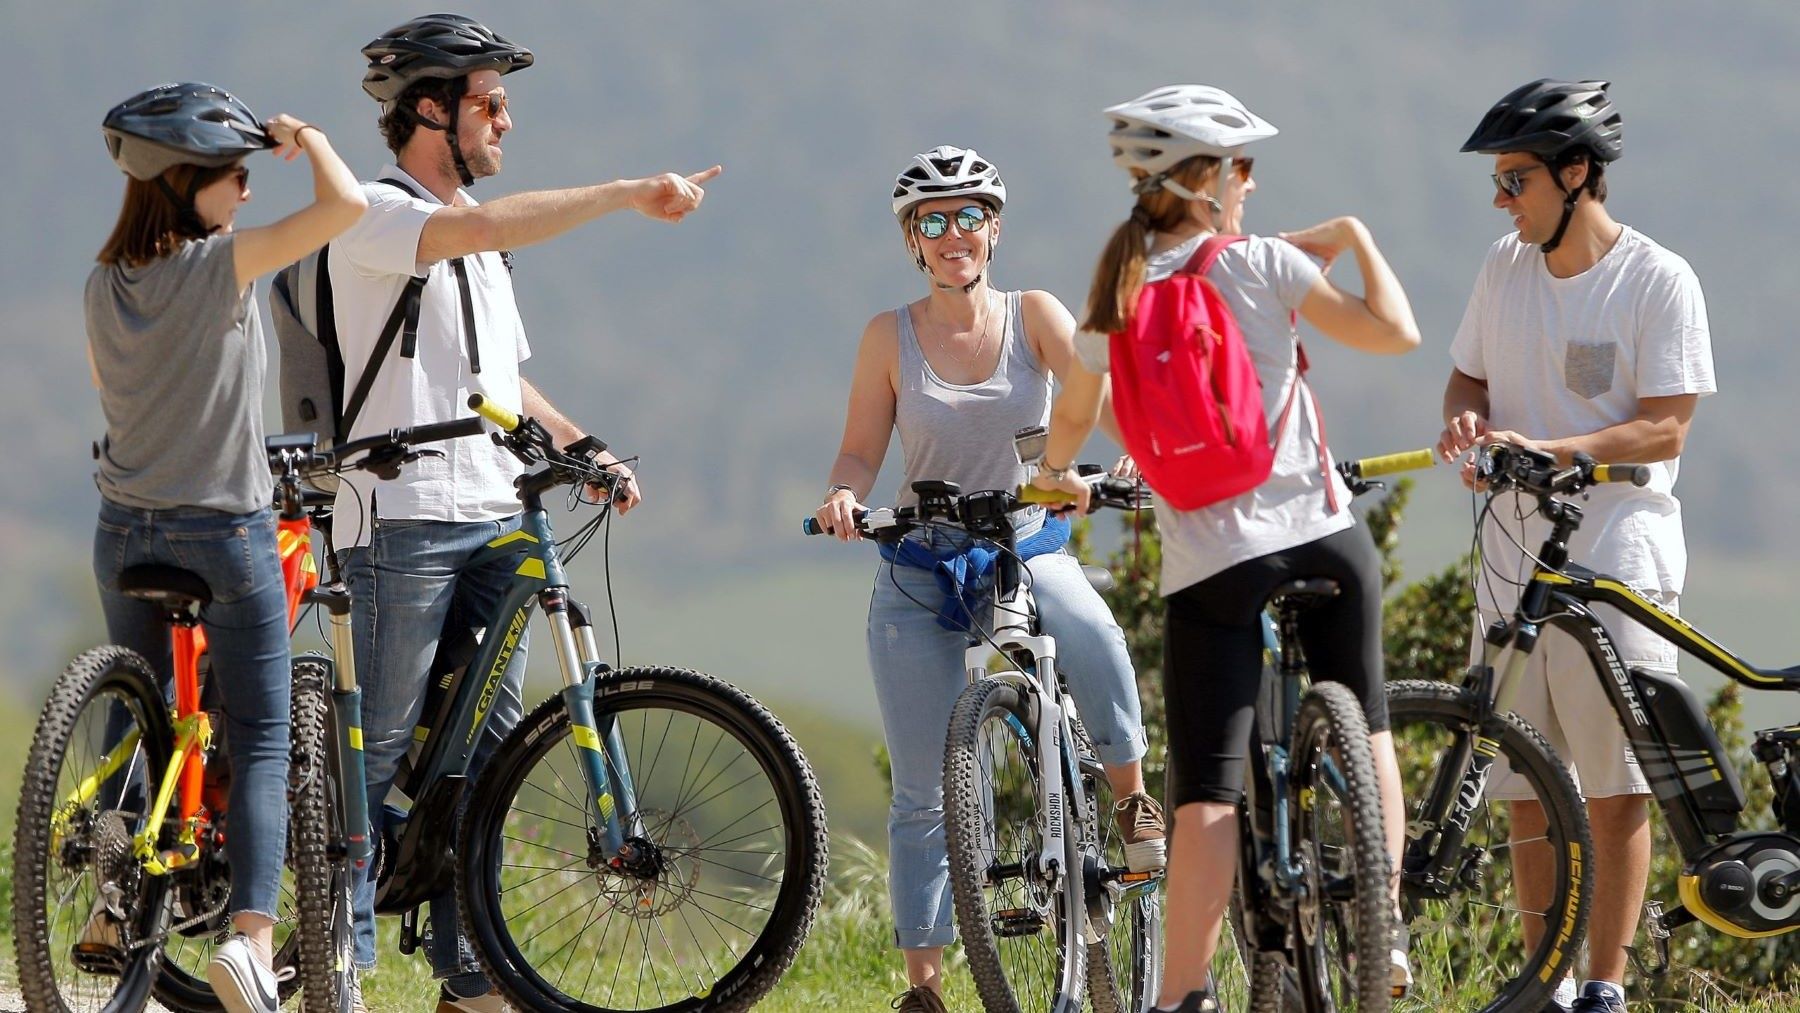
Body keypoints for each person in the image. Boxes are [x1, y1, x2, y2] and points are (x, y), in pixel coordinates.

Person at [332, 14, 721, 1012]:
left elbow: (508, 383)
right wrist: (630, 192)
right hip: (400, 514)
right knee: (374, 742)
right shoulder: (376, 214)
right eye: (489, 102)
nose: (507, 120)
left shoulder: (482, 247)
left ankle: (473, 971)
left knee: (491, 755)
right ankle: (334, 951)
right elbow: (483, 226)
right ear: (429, 108)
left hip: (494, 510)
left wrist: (584, 444)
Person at [1031, 85, 1421, 1013]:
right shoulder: (1266, 264)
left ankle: (1182, 996)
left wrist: (1053, 476)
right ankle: (1387, 924)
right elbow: (1394, 332)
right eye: (1241, 167)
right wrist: (1357, 237)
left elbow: (1072, 427)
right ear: (1207, 183)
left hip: (1211, 566)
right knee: (1366, 728)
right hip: (1325, 537)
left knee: (1206, 788)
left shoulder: (1112, 300)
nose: (1250, 183)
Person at [813, 145, 1166, 1013]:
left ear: (993, 228)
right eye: (930, 222)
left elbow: (1095, 396)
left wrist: (1100, 466)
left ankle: (1129, 800)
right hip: (920, 560)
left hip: (1026, 538)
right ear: (913, 242)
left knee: (1087, 628)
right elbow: (861, 448)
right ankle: (924, 988)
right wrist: (843, 495)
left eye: (967, 216)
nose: (951, 234)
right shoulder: (885, 336)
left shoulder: (1033, 313)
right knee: (921, 789)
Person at [1436, 79, 1715, 1013]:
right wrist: (1470, 429)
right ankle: (1540, 983)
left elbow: (1666, 428)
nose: (1501, 199)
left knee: (1613, 776)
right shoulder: (1501, 267)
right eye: (1499, 182)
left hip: (1617, 558)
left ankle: (1605, 985)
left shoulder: (1657, 277)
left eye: (1515, 180)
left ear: (1577, 172)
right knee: (1521, 776)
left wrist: (1554, 451)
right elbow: (1466, 379)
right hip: (1511, 559)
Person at [88, 83, 365, 1013]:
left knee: (144, 711)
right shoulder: (220, 267)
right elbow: (346, 208)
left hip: (124, 527)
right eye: (235, 176)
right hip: (222, 531)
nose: (247, 192)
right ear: (186, 181)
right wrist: (310, 138)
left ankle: (111, 895)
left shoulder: (102, 284)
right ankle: (248, 941)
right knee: (259, 731)